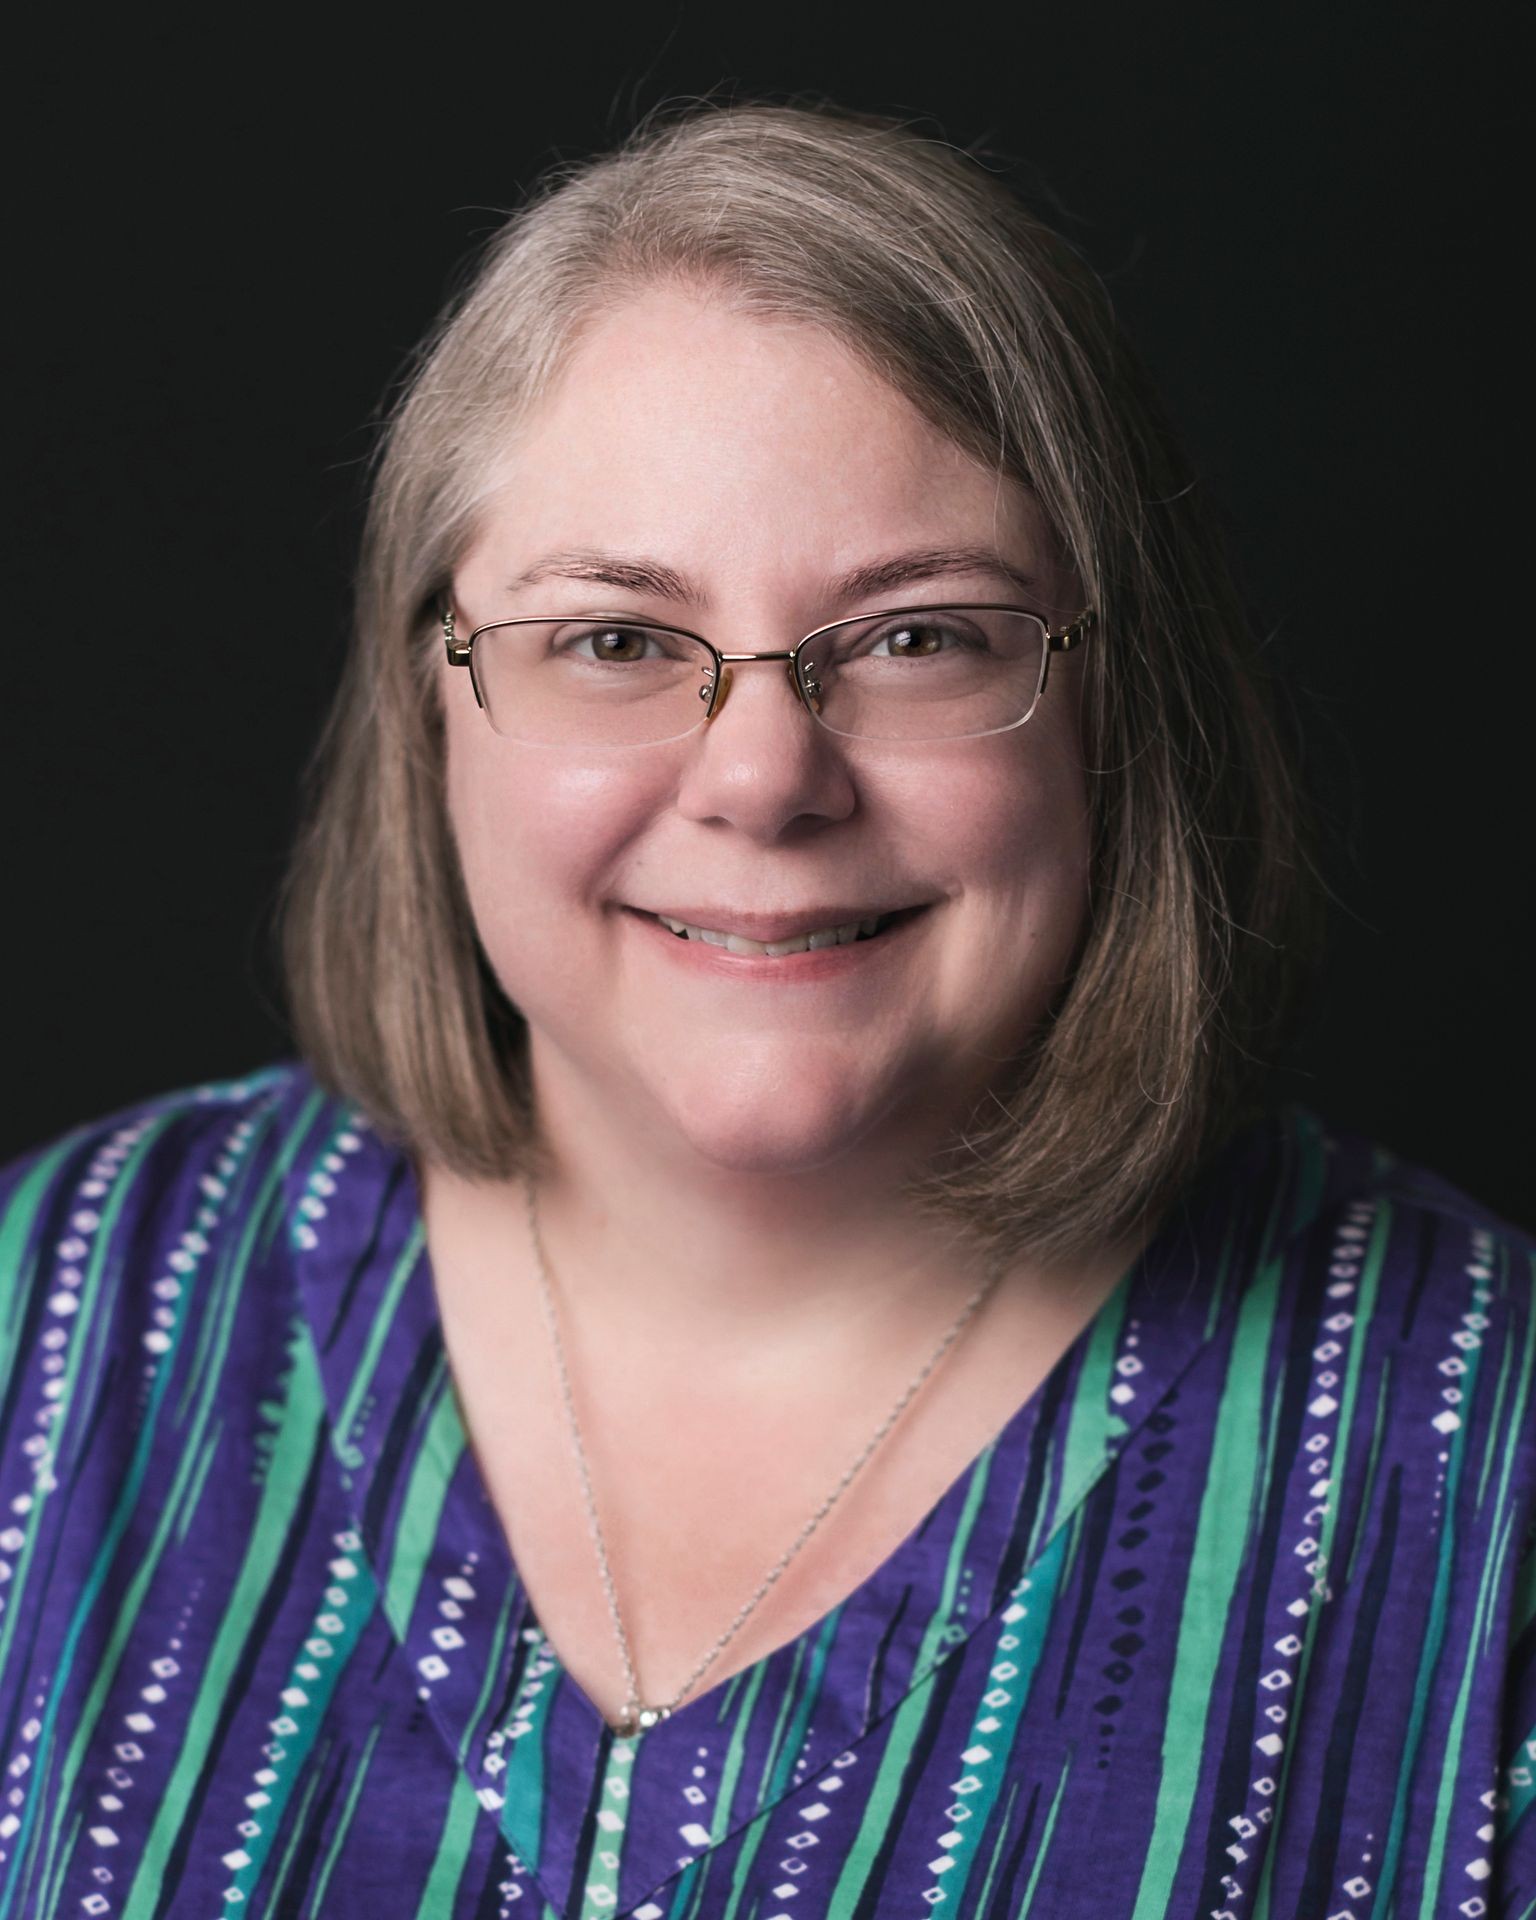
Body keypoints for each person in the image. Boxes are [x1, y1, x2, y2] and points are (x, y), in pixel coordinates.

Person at [0, 100, 1530, 1920]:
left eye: (916, 636)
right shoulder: (61, 1309)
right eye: (617, 641)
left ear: (1117, 710)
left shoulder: (1483, 1452)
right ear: (435, 712)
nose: (761, 779)